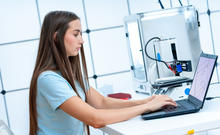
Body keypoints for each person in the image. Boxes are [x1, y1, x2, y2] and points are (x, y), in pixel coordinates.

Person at [29, 11, 177, 135]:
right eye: (75, 34)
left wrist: (147, 101)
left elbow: (101, 102)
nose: (81, 41)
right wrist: (146, 108)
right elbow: (95, 119)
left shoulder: (66, 74)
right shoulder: (48, 79)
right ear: (56, 38)